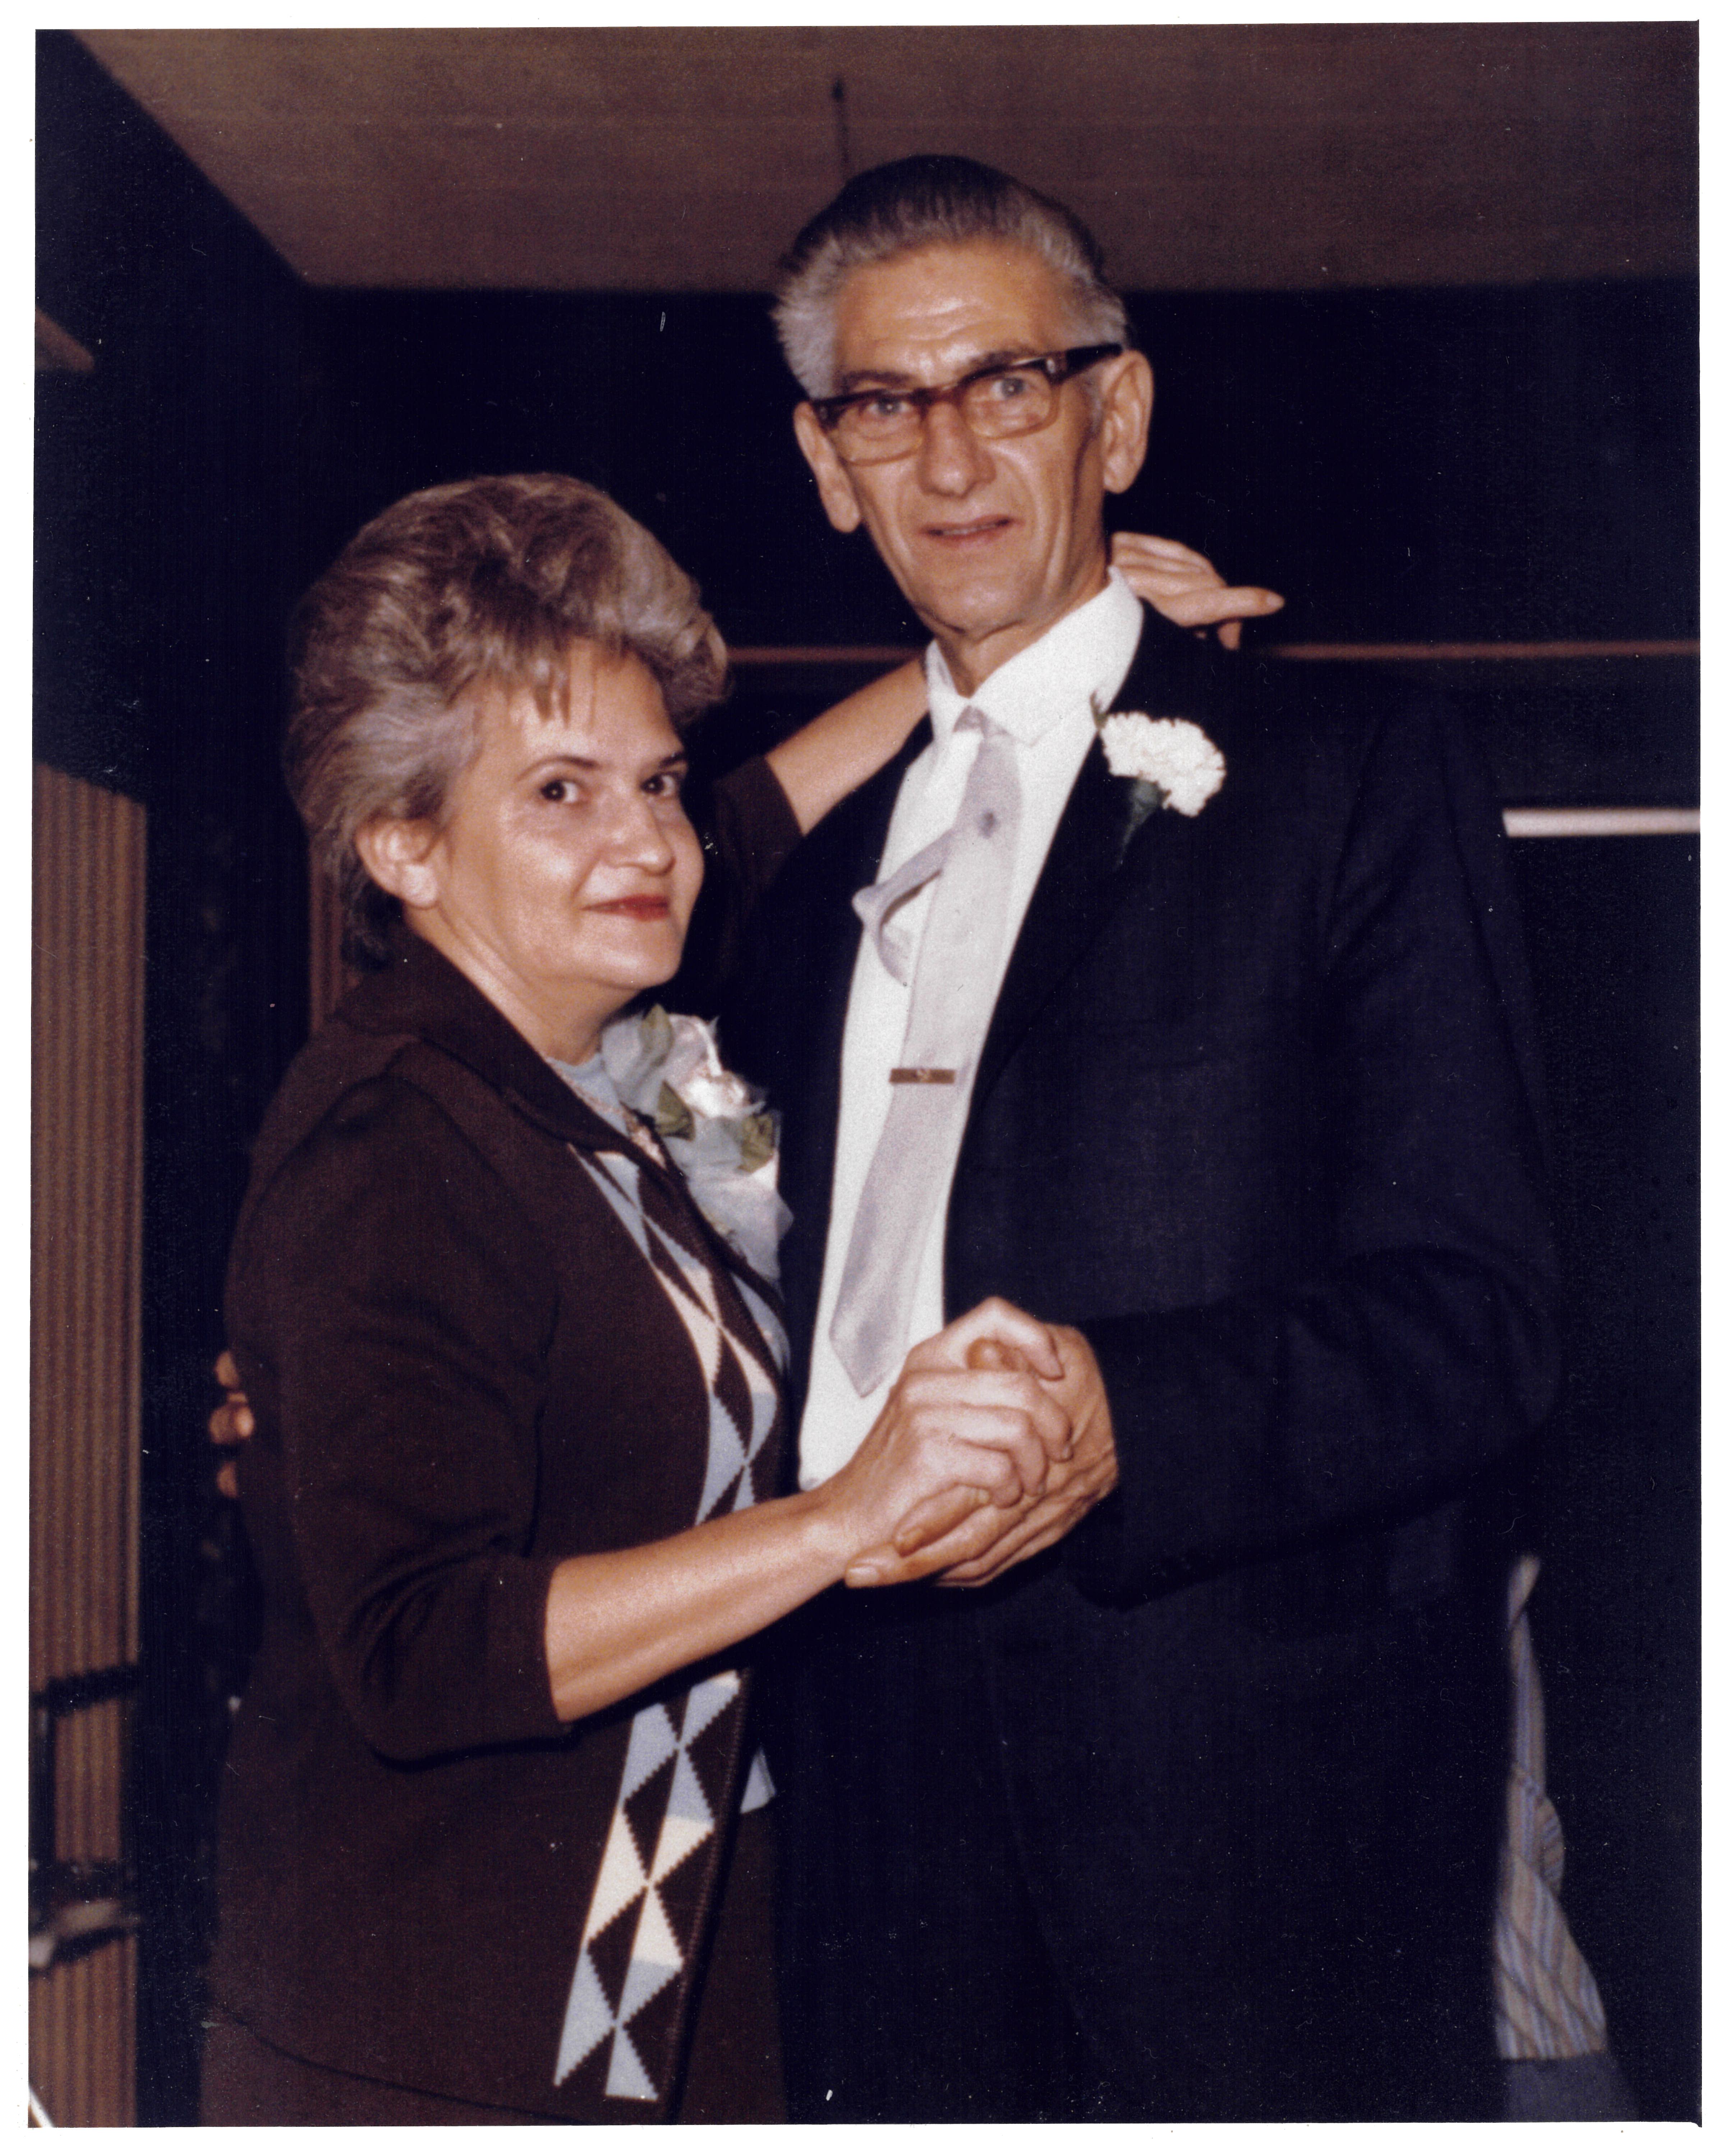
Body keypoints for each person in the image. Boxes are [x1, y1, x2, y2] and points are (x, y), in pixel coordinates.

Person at [710, 156, 1563, 2122]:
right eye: (884, 404)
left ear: (1119, 417)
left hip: (1244, 1817)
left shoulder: (1354, 781)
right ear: (828, 465)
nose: (948, 456)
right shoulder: (797, 886)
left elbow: (1482, 1317)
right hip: (861, 1794)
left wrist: (1131, 1424)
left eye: (1006, 384)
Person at [202, 471, 1094, 2124]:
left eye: (658, 781)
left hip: (657, 1969)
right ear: (403, 845)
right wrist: (840, 1521)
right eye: (561, 790)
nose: (650, 842)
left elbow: (747, 829)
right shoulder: (398, 1139)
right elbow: (419, 1650)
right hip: (438, 2035)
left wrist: (1010, 654)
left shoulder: (580, 1069)